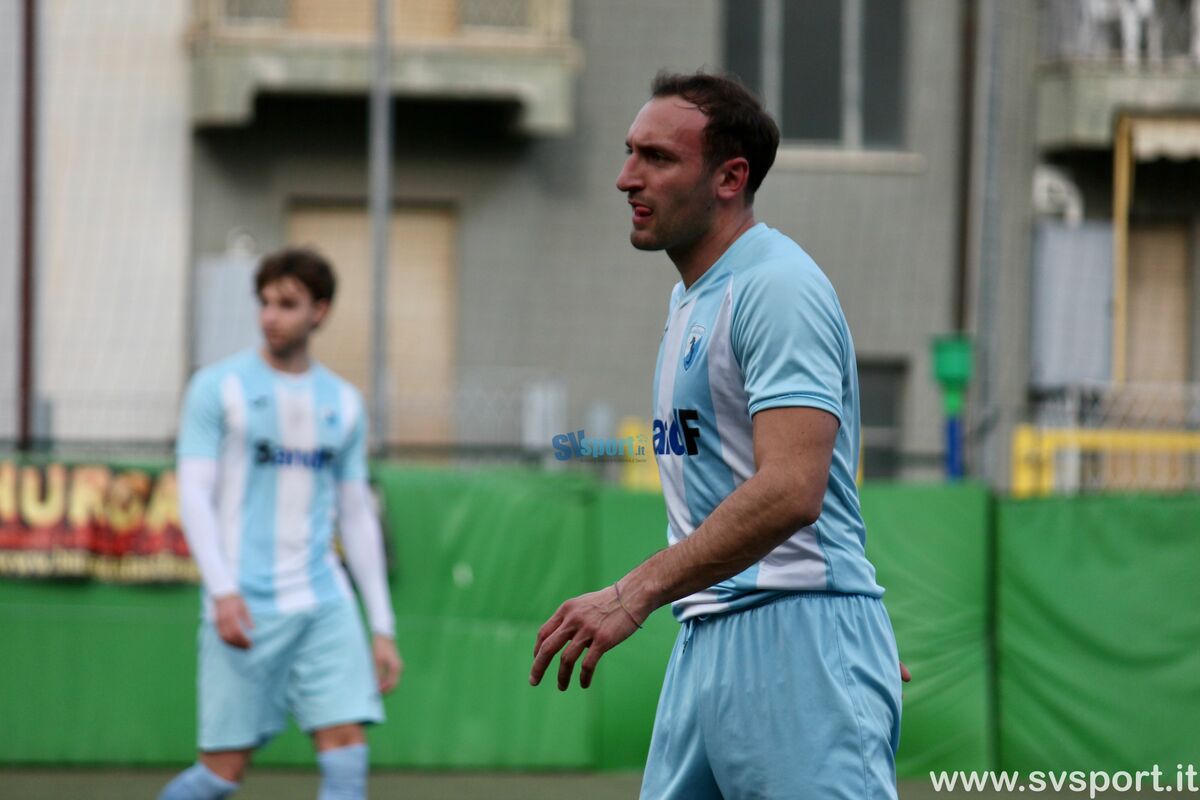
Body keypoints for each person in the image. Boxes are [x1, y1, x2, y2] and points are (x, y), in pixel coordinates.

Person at [529, 71, 909, 799]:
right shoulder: (691, 297)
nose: (626, 178)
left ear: (730, 178)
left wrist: (828, 644)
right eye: (629, 152)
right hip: (712, 640)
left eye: (657, 158)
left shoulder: (777, 287)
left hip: (794, 643)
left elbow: (792, 489)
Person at [160, 248, 402, 800]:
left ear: (320, 311)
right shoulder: (216, 388)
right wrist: (222, 591)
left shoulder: (344, 402)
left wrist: (382, 626)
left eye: (287, 304)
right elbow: (193, 495)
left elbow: (356, 514)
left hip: (323, 603)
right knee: (219, 774)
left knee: (347, 754)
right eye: (265, 302)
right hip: (242, 606)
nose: (271, 316)